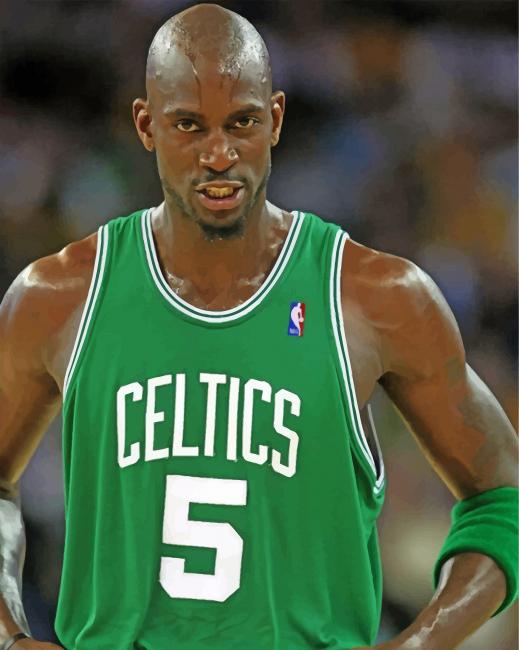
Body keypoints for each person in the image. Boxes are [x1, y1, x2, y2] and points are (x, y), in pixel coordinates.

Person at [0, 4, 517, 650]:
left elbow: (503, 499)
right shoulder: (58, 298)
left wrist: (420, 643)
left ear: (274, 118)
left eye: (241, 123)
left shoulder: (375, 298)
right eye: (189, 126)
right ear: (146, 125)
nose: (219, 154)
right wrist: (10, 636)